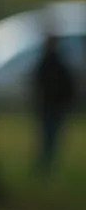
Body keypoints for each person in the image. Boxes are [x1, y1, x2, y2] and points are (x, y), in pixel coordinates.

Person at [33, 29, 74, 176]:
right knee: (49, 137)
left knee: (48, 137)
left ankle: (45, 165)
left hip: (50, 105)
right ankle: (46, 165)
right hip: (52, 105)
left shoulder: (46, 62)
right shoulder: (56, 63)